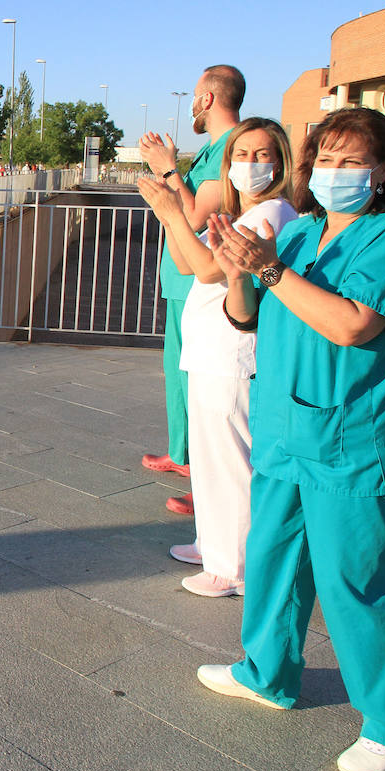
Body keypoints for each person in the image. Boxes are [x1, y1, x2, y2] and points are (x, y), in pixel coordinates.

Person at [198, 107, 385, 771]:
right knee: (272, 561)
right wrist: (239, 270)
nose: (335, 174)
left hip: (349, 441)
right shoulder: (299, 235)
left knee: (352, 585)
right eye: (324, 161)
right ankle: (267, 673)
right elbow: (244, 316)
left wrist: (268, 270)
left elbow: (352, 326)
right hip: (282, 430)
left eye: (353, 162)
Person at [139, 118, 298, 597]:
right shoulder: (238, 214)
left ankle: (235, 567)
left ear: (282, 163)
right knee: (209, 461)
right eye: (242, 155)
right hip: (209, 350)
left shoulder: (272, 214)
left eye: (263, 154)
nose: (251, 164)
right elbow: (187, 261)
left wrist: (172, 210)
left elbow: (209, 271)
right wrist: (171, 216)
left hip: (234, 354)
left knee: (232, 463)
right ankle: (211, 544)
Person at [138, 64, 244, 516]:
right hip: (184, 277)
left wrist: (167, 172)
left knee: (202, 384)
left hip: (203, 281)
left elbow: (197, 217)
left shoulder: (233, 148)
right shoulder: (214, 148)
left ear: (208, 99)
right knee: (181, 376)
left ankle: (209, 478)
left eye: (195, 97)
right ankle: (184, 455)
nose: (191, 106)